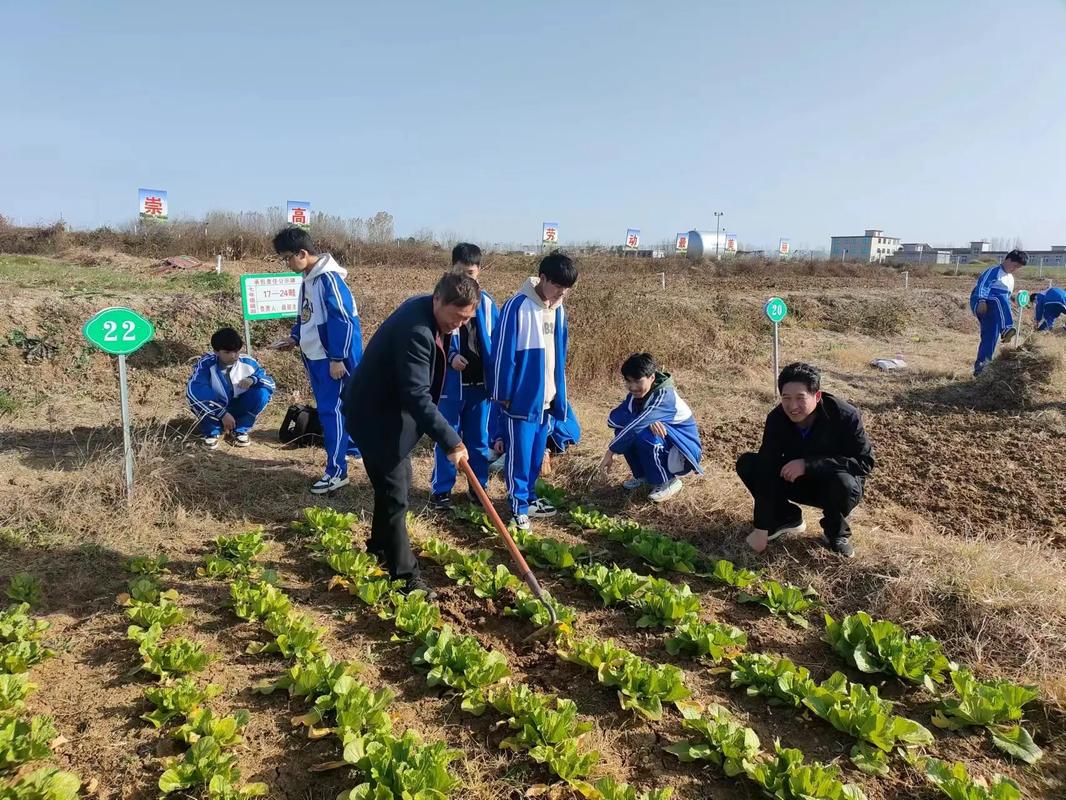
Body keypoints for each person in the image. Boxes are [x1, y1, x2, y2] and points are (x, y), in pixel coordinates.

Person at [342, 273, 477, 596]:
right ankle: (405, 577)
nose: (459, 325)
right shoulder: (416, 331)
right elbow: (417, 396)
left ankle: (378, 546)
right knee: (396, 494)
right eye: (457, 317)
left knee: (393, 486)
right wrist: (452, 441)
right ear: (438, 299)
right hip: (374, 417)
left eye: (466, 319)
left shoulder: (428, 312)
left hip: (385, 411)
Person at [735, 362, 874, 558]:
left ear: (817, 396)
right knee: (750, 464)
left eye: (800, 398)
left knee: (843, 483)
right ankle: (786, 518)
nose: (792, 406)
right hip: (797, 481)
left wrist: (808, 465)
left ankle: (835, 533)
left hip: (835, 485)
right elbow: (767, 466)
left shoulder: (844, 415)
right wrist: (761, 528)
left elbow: (864, 462)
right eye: (786, 398)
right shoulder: (777, 419)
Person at [271, 227, 363, 495]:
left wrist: (337, 358)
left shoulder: (328, 279)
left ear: (302, 253)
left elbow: (343, 320)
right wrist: (294, 337)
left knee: (332, 412)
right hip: (316, 356)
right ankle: (352, 450)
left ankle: (336, 472)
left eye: (287, 258)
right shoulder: (308, 279)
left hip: (331, 359)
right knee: (338, 409)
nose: (286, 264)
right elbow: (306, 316)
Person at [491, 252, 578, 530]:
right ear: (542, 278)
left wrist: (558, 394)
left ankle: (528, 497)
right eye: (558, 286)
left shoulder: (558, 310)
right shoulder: (518, 305)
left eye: (567, 288)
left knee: (536, 453)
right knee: (519, 455)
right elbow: (502, 353)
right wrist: (504, 394)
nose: (562, 293)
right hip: (521, 400)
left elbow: (559, 354)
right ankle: (517, 508)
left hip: (547, 399)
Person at [430, 244, 499, 511]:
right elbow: (435, 338)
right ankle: (441, 490)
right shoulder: (442, 301)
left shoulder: (489, 304)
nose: (466, 277)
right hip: (451, 384)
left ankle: (478, 488)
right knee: (447, 437)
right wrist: (450, 357)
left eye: (470, 272)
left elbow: (498, 341)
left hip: (480, 386)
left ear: (479, 271)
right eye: (460, 272)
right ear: (451, 270)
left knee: (479, 440)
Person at [598, 353, 703, 502]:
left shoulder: (665, 396)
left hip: (682, 453)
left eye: (637, 381)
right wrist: (645, 419)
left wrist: (611, 451)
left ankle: (668, 481)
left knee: (642, 434)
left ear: (652, 377)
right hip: (667, 444)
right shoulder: (635, 397)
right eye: (628, 381)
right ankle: (644, 477)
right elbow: (612, 420)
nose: (632, 387)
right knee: (624, 430)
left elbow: (635, 427)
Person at [187, 327, 275, 449]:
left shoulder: (248, 363)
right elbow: (195, 390)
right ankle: (212, 430)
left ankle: (240, 429)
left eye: (236, 351)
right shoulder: (206, 364)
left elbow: (268, 382)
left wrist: (253, 379)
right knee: (198, 398)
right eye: (227, 352)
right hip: (216, 406)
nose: (233, 356)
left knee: (262, 393)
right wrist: (222, 413)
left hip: (239, 405)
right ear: (216, 352)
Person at [970, 249, 1028, 376]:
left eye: (1018, 268)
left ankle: (981, 369)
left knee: (990, 338)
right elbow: (983, 286)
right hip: (983, 303)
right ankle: (1006, 328)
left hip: (996, 311)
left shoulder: (1010, 278)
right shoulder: (994, 271)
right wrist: (981, 300)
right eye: (1015, 265)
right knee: (999, 298)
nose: (1015, 269)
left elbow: (1007, 296)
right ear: (1008, 260)